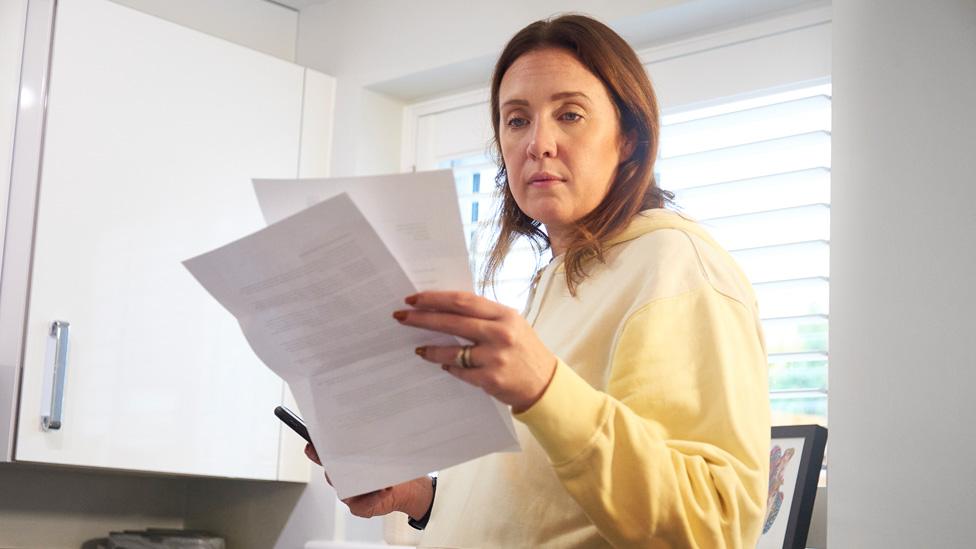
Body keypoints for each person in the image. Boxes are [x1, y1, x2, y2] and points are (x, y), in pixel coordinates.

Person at [305, 14, 770, 548]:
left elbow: (714, 528)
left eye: (570, 114)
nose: (539, 143)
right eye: (517, 120)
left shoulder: (676, 265)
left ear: (629, 140)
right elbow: (541, 508)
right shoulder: (555, 281)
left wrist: (544, 387)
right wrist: (418, 496)